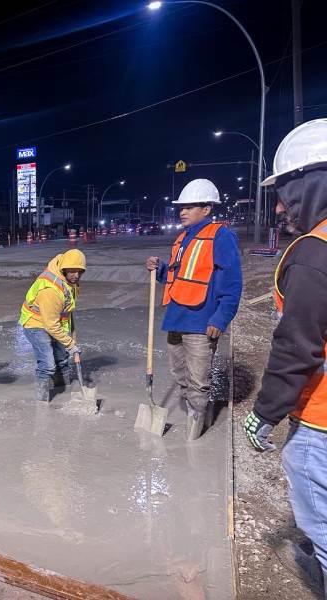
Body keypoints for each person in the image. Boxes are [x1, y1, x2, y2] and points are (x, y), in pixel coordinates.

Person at [243, 118, 327, 592]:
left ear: (312, 182)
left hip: (321, 418)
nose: (279, 206)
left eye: (286, 192)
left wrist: (265, 412)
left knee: (322, 523)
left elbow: (297, 346)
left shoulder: (314, 253)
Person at [146, 178, 242, 440]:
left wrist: (221, 318)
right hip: (176, 319)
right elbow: (179, 278)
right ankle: (197, 412)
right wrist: (161, 269)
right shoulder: (182, 239)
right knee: (180, 374)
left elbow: (232, 282)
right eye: (181, 207)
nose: (183, 211)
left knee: (199, 380)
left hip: (202, 323)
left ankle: (194, 434)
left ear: (207, 209)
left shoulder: (220, 237)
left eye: (190, 206)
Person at [18, 250, 85, 402]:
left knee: (62, 357)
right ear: (64, 269)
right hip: (35, 323)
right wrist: (70, 344)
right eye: (73, 271)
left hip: (54, 320)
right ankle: (42, 401)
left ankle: (64, 389)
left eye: (80, 272)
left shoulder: (70, 280)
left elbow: (66, 309)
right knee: (48, 364)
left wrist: (69, 336)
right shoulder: (51, 289)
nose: (76, 275)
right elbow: (51, 325)